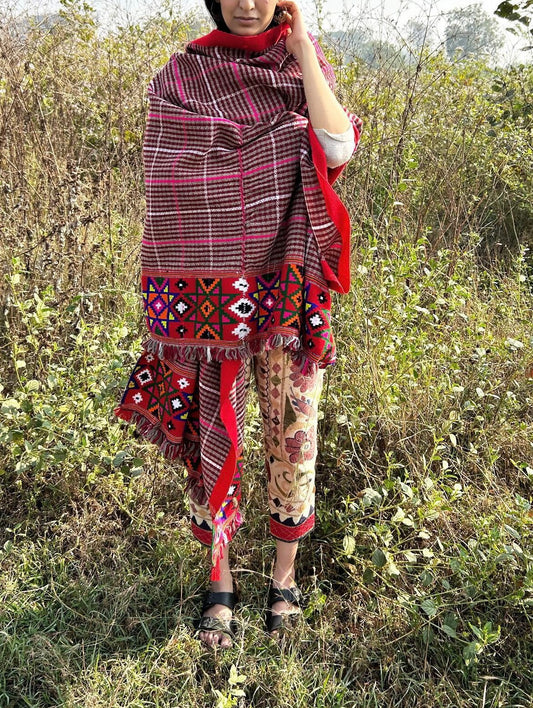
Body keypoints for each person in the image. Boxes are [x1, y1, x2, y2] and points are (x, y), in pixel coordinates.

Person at [115, 0, 361, 648]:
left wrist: (303, 45)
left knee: (290, 435)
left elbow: (338, 145)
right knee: (212, 426)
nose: (247, 3)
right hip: (209, 295)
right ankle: (218, 579)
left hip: (285, 288)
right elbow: (169, 183)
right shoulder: (183, 77)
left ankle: (283, 580)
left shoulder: (297, 66)